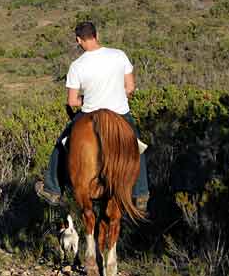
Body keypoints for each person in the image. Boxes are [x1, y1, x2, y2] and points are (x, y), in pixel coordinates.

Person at [35, 22, 150, 212]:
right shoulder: (119, 55)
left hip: (89, 113)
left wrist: (85, 98)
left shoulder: (77, 65)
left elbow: (72, 101)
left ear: (79, 40)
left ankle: (52, 189)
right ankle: (141, 194)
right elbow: (130, 88)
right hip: (119, 112)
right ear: (97, 35)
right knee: (137, 147)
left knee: (60, 145)